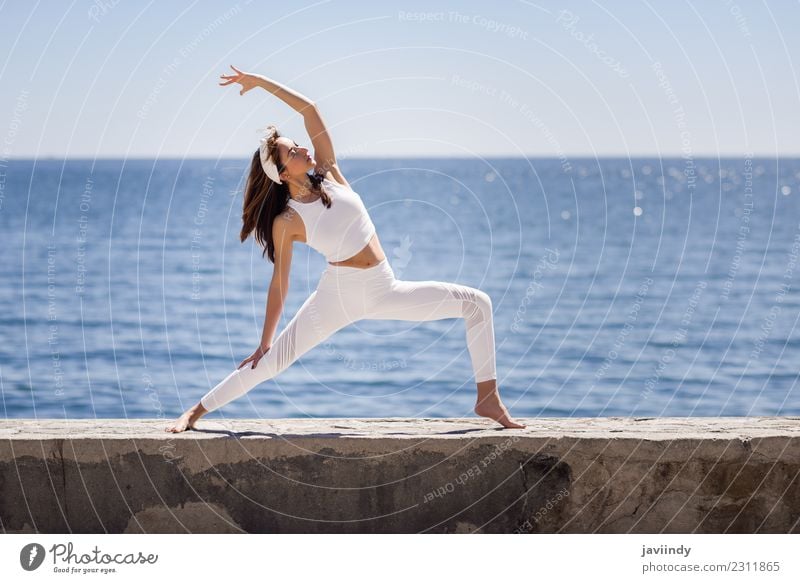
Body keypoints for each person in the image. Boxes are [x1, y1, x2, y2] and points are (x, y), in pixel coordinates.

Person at [166, 66, 525, 432]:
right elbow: (280, 282)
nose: (303, 147)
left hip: (385, 288)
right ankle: (195, 412)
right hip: (337, 294)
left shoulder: (330, 172)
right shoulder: (286, 221)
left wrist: (260, 82)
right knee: (270, 362)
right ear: (282, 172)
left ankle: (488, 398)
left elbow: (309, 109)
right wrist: (264, 341)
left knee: (477, 304)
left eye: (297, 144)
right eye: (292, 150)